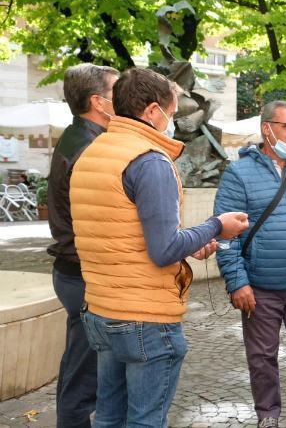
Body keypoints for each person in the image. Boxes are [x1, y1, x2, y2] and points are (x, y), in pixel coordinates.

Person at [70, 67, 249, 427]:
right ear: (153, 111)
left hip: (101, 309)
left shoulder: (93, 152)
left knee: (108, 418)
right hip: (144, 317)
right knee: (145, 421)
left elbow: (123, 230)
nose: (174, 122)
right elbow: (163, 249)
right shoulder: (150, 160)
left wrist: (190, 241)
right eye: (172, 112)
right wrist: (217, 225)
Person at [213, 100, 286, 428]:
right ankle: (268, 416)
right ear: (266, 129)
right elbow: (225, 235)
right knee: (262, 357)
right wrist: (237, 281)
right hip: (259, 287)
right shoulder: (238, 174)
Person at [47, 63, 119, 428]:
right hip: (84, 275)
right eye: (116, 92)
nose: (124, 100)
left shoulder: (80, 137)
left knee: (80, 367)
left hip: (75, 271)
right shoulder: (89, 148)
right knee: (84, 378)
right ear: (98, 102)